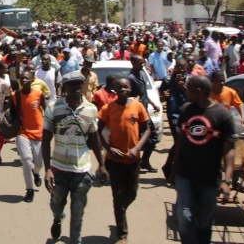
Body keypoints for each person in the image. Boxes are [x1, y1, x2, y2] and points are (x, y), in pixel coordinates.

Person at [44, 72, 108, 243]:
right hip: (59, 169)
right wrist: (48, 169)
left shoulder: (91, 109)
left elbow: (95, 139)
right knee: (56, 205)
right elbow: (45, 140)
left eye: (80, 84)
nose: (77, 87)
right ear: (64, 88)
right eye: (72, 84)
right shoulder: (53, 108)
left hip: (82, 171)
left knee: (78, 214)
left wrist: (102, 164)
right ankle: (58, 219)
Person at [171, 75, 237, 244]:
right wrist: (174, 167)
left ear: (199, 92)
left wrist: (227, 180)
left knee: (205, 222)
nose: (186, 92)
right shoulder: (186, 109)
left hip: (209, 179)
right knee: (184, 218)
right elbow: (180, 140)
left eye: (189, 88)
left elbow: (229, 150)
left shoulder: (222, 115)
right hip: (185, 175)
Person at [97, 77, 152, 244]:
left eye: (126, 87)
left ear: (130, 89)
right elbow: (97, 133)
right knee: (118, 196)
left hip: (133, 159)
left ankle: (121, 210)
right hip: (114, 161)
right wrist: (109, 149)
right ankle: (122, 234)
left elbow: (147, 129)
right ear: (114, 89)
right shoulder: (107, 109)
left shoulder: (138, 106)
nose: (124, 90)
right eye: (120, 87)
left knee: (132, 193)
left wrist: (137, 148)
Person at [14, 69, 47, 203]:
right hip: (22, 132)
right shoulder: (15, 95)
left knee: (39, 163)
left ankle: (36, 172)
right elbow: (8, 111)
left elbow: (47, 110)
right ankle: (29, 189)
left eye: (27, 78)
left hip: (38, 132)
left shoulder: (39, 94)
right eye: (22, 78)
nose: (24, 80)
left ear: (32, 80)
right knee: (27, 161)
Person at [128, 54, 160, 172]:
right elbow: (132, 98)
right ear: (133, 63)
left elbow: (143, 94)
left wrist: (152, 103)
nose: (142, 65)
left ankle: (144, 161)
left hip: (145, 111)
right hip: (137, 114)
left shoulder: (141, 74)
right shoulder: (131, 78)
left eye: (143, 62)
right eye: (140, 63)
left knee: (152, 137)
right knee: (138, 138)